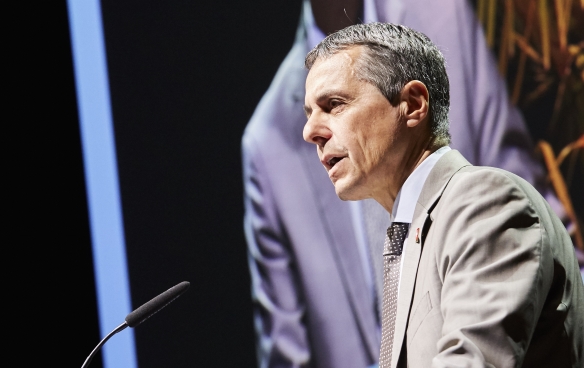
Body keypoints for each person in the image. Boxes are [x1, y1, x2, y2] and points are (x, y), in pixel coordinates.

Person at [242, 0, 569, 367]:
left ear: (412, 104)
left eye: (334, 105)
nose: (309, 132)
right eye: (309, 113)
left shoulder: (489, 204)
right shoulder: (408, 239)